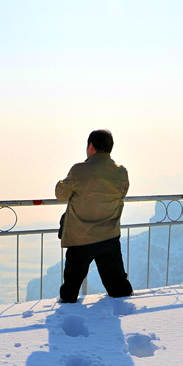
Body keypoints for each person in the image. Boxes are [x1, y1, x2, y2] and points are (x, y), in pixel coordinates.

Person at [55, 129, 133, 303]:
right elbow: (123, 192)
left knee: (70, 292)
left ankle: (68, 323)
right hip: (109, 238)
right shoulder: (121, 172)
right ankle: (121, 319)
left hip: (80, 239)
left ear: (91, 146)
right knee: (119, 289)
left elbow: (61, 194)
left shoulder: (78, 171)